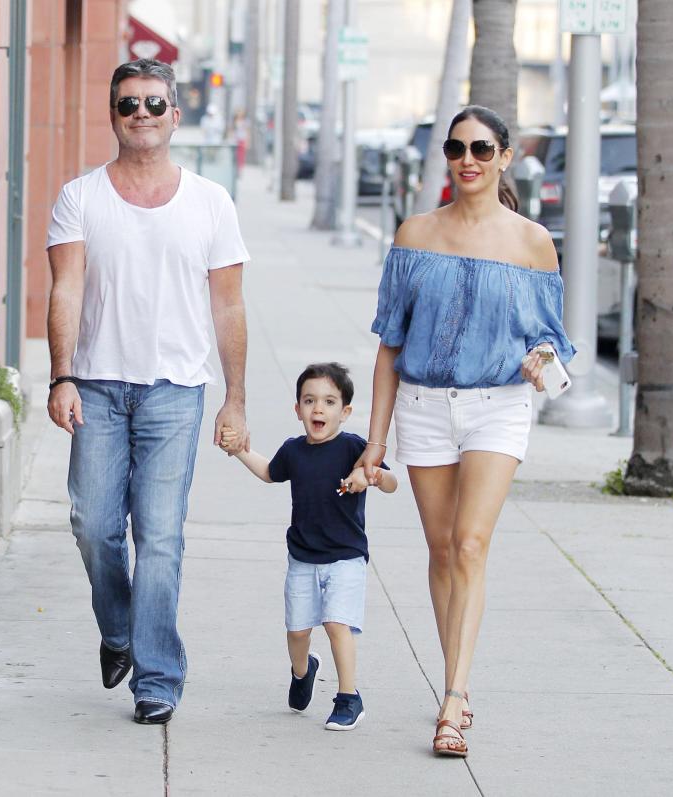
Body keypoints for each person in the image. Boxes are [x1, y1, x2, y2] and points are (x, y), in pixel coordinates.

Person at [357, 105, 575, 757]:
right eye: (456, 148)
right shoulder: (414, 233)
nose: (468, 159)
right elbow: (389, 346)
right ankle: (457, 676)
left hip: (498, 404)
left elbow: (550, 336)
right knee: (443, 549)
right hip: (424, 405)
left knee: (473, 543)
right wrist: (374, 441)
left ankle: (453, 697)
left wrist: (543, 360)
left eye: (482, 147)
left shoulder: (531, 241)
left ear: (505, 156)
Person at [45, 58, 251, 726]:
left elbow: (228, 307)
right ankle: (120, 630)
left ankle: (157, 676)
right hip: (97, 388)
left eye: (155, 104)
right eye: (130, 103)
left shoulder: (211, 203)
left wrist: (235, 397)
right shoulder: (80, 197)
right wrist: (62, 373)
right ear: (113, 114)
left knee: (159, 535)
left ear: (175, 115)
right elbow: (66, 288)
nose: (142, 114)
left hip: (174, 392)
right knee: (94, 526)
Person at [220, 363, 397, 731]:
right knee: (298, 631)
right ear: (298, 408)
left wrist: (374, 475)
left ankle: (349, 696)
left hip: (346, 557)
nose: (319, 409)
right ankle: (303, 671)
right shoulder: (294, 450)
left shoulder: (354, 448)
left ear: (345, 412)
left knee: (336, 623)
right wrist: (238, 451)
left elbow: (392, 481)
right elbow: (270, 472)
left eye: (330, 402)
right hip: (302, 557)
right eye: (310, 400)